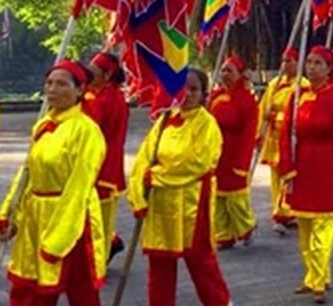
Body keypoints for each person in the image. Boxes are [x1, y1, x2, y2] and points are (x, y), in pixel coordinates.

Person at [0, 60, 107, 305]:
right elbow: (27, 173)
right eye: (49, 83)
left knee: (80, 292)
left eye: (61, 84)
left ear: (80, 90)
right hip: (36, 217)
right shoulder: (44, 125)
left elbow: (80, 187)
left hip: (71, 220)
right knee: (29, 289)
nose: (52, 89)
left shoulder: (86, 131)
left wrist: (58, 239)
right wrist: (10, 213)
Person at [127, 68, 231, 306]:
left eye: (194, 89)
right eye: (183, 88)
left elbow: (195, 163)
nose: (188, 94)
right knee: (160, 264)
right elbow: (145, 157)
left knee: (202, 264)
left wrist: (154, 177)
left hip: (192, 203)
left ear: (204, 93)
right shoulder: (164, 120)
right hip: (161, 205)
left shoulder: (207, 124)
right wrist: (138, 194)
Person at [278, 46, 333, 302]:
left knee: (323, 227)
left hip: (327, 165)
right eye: (310, 62)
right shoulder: (296, 97)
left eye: (317, 63)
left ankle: (318, 281)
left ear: (328, 69)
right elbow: (286, 134)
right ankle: (314, 276)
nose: (311, 67)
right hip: (302, 166)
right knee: (304, 226)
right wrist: (287, 166)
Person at [82, 51, 130, 260]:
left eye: (93, 71)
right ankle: (110, 243)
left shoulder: (109, 98)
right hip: (95, 164)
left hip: (104, 167)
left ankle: (99, 257)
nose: (88, 75)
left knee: (99, 217)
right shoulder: (97, 95)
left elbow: (91, 128)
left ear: (107, 76)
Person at [209, 56, 259, 248]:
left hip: (235, 151)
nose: (224, 74)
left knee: (235, 196)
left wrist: (242, 162)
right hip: (216, 152)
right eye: (222, 70)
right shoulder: (214, 97)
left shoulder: (247, 101)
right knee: (218, 196)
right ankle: (223, 235)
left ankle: (246, 226)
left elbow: (248, 133)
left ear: (239, 75)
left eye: (229, 70)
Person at [258, 47, 299, 233]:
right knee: (275, 176)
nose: (285, 64)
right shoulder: (274, 84)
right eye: (283, 60)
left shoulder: (302, 85)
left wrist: (278, 118)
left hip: (289, 138)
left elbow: (298, 114)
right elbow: (263, 108)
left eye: (289, 61)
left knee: (287, 175)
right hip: (273, 137)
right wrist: (261, 129)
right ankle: (279, 208)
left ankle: (285, 211)